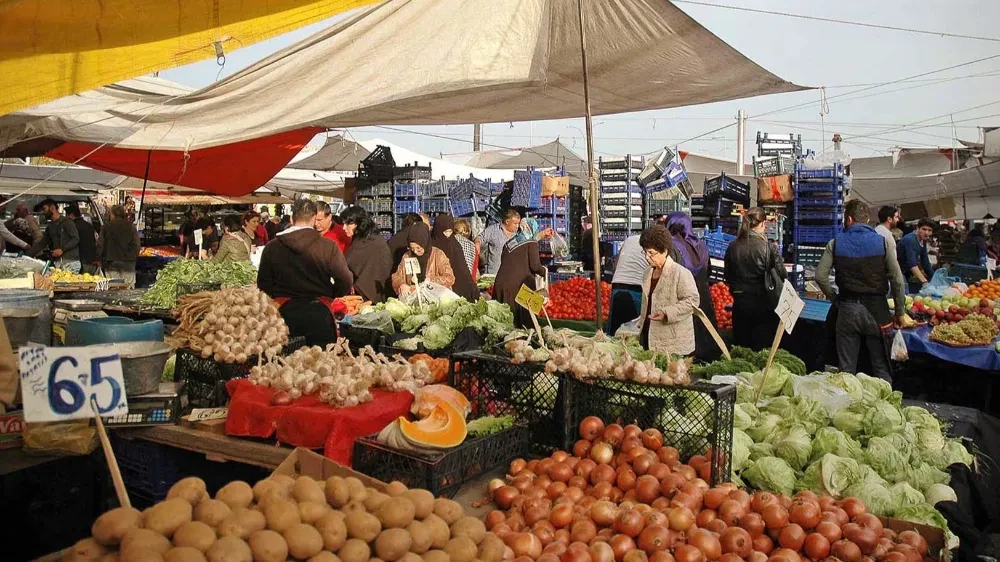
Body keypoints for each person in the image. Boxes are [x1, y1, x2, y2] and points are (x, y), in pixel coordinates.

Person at [815, 200, 906, 382]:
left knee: (846, 372)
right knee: (881, 368)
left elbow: (820, 276)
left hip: (847, 310)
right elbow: (897, 280)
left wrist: (835, 298)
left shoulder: (835, 243)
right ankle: (886, 403)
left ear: (848, 219)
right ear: (867, 220)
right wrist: (900, 312)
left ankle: (847, 405)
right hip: (877, 312)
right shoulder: (882, 242)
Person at [258, 199, 353, 347]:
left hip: (283, 314)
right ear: (314, 219)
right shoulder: (328, 246)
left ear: (291, 218)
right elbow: (345, 279)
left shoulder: (272, 247)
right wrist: (331, 293)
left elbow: (263, 284)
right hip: (319, 314)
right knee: (322, 364)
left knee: (283, 364)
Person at [724, 207, 785, 350]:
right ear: (763, 224)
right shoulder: (768, 247)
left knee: (741, 351)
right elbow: (782, 273)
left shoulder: (733, 247)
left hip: (740, 304)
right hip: (763, 304)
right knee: (761, 351)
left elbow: (728, 276)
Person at [637, 225, 701, 356]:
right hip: (649, 334)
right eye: (645, 252)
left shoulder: (681, 273)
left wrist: (667, 313)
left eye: (651, 253)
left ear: (664, 251)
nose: (647, 257)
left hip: (673, 340)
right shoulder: (647, 273)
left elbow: (692, 301)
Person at [666, 212, 719, 361]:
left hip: (682, 295)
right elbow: (708, 270)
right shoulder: (701, 246)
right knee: (703, 328)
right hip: (702, 294)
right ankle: (705, 357)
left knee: (687, 330)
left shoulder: (670, 247)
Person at [493, 218, 552, 329]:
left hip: (501, 285)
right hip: (517, 288)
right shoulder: (531, 243)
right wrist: (544, 271)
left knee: (502, 324)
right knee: (521, 325)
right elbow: (535, 266)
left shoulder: (509, 243)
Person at [342, 207, 392, 303]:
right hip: (381, 294)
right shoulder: (377, 239)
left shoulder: (362, 243)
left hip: (364, 297)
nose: (344, 227)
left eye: (348, 223)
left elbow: (347, 266)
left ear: (359, 224)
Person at [392, 223, 455, 296]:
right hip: (413, 296)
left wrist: (431, 281)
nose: (415, 251)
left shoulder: (438, 255)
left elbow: (449, 278)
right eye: (412, 248)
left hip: (435, 297)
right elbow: (397, 276)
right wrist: (401, 284)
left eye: (418, 248)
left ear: (425, 242)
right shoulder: (407, 256)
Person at [431, 214, 479, 301]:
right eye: (445, 232)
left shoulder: (455, 246)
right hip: (436, 292)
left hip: (457, 293)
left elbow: (463, 271)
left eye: (450, 232)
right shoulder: (431, 247)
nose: (448, 235)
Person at [607, 234, 647, 336]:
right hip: (637, 288)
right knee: (632, 331)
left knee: (614, 329)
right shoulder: (655, 245)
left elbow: (615, 265)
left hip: (618, 284)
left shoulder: (630, 239)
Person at [98, 205, 140, 288]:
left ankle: (115, 301)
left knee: (113, 286)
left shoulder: (105, 227)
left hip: (111, 260)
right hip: (128, 261)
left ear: (112, 214)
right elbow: (137, 245)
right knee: (128, 286)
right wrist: (134, 256)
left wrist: (99, 258)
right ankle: (128, 301)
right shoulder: (131, 227)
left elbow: (101, 245)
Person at [35, 198, 81, 272]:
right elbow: (42, 244)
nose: (43, 212)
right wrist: (27, 255)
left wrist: (62, 249)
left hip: (71, 262)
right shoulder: (50, 227)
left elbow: (75, 238)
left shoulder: (67, 222)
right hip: (58, 263)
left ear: (52, 208)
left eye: (44, 209)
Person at [477, 208, 521, 275]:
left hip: (512, 275)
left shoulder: (518, 235)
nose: (517, 226)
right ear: (507, 222)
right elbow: (480, 238)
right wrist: (477, 243)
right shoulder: (493, 230)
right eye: (515, 223)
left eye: (518, 223)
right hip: (494, 274)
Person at [897, 218, 935, 293]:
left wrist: (934, 278)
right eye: (924, 229)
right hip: (897, 270)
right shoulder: (910, 240)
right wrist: (924, 282)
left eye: (929, 230)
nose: (926, 233)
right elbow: (912, 264)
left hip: (906, 271)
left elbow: (925, 262)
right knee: (904, 294)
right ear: (917, 228)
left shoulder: (923, 240)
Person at [65, 205, 98, 274]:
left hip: (81, 262)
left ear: (71, 215)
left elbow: (73, 243)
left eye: (66, 215)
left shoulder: (72, 227)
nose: (66, 218)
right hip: (92, 261)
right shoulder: (89, 225)